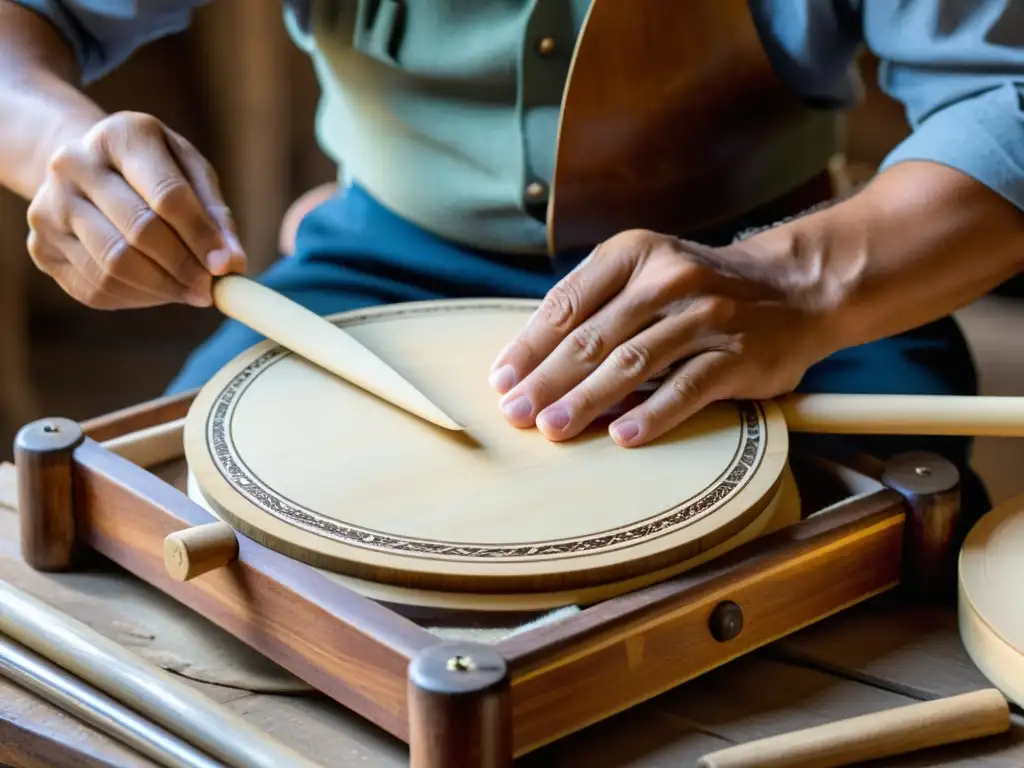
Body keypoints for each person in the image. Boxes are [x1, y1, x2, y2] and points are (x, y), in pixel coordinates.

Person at [1, 0, 1022, 524]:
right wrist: (56, 148)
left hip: (765, 287)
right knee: (171, 545)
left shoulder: (784, 284)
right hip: (374, 275)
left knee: (875, 569)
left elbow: (1003, 102)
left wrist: (796, 284)